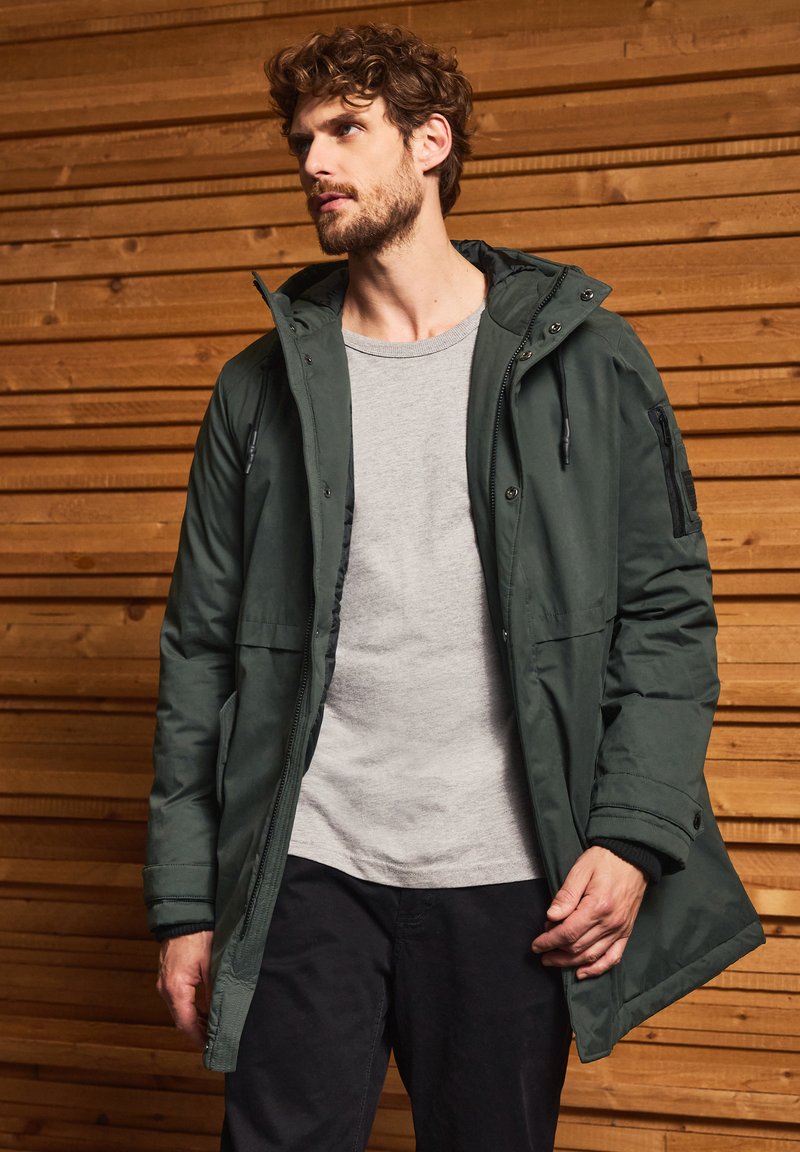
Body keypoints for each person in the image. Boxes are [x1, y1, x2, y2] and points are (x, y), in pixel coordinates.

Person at [143, 22, 765, 1152]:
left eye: (345, 130)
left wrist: (631, 836)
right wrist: (186, 902)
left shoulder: (590, 360)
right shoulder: (257, 388)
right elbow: (198, 651)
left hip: (512, 875)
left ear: (429, 143)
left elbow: (668, 616)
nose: (313, 162)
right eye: (302, 141)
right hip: (305, 865)